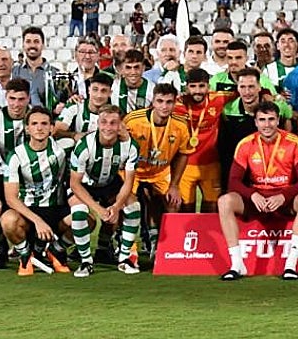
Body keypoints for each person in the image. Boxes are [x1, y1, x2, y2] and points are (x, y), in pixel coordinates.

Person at [218, 102, 298, 281]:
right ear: (255, 122)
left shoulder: (294, 143)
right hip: (257, 199)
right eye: (262, 120)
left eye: (271, 119)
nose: (267, 124)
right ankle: (237, 264)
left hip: (284, 199)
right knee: (224, 201)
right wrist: (252, 195)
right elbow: (233, 181)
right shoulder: (245, 144)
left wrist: (284, 196)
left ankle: (291, 265)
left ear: (278, 120)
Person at [67, 105, 142, 276]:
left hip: (110, 183)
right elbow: (75, 184)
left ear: (120, 125)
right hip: (85, 184)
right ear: (98, 123)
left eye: (113, 123)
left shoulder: (130, 146)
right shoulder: (84, 146)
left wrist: (116, 206)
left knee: (133, 206)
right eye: (104, 122)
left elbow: (128, 182)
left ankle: (124, 259)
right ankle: (86, 261)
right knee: (79, 211)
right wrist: (98, 209)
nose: (108, 127)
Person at [0, 106, 72, 275]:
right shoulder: (16, 156)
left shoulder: (62, 150)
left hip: (55, 209)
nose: (39, 128)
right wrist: (37, 221)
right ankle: (26, 254)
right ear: (27, 128)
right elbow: (10, 198)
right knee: (8, 220)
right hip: (28, 212)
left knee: (86, 219)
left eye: (44, 124)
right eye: (34, 124)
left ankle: (55, 250)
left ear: (52, 128)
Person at [123, 83, 193, 255]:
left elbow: (183, 154)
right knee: (129, 203)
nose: (164, 106)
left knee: (174, 203)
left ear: (175, 102)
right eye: (160, 101)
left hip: (160, 172)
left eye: (169, 102)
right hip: (133, 172)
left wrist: (175, 185)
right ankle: (128, 249)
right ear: (152, 101)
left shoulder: (181, 125)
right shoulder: (133, 120)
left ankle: (164, 248)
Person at [0, 78, 30, 271]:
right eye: (12, 98)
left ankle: (33, 248)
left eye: (21, 99)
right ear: (5, 96)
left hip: (29, 175)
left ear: (28, 98)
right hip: (2, 174)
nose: (16, 104)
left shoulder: (36, 116)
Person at [173, 69, 234, 212]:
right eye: (193, 86)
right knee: (186, 209)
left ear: (208, 86)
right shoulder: (176, 105)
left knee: (211, 208)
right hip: (185, 166)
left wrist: (268, 94)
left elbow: (246, 91)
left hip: (211, 164)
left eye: (201, 86)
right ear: (186, 87)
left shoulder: (218, 99)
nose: (197, 91)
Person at [54, 72, 112, 140]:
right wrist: (74, 135)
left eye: (104, 91)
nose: (98, 95)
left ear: (110, 93)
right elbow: (57, 131)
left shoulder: (114, 112)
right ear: (89, 90)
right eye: (95, 89)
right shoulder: (75, 105)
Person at [110, 49, 155, 114]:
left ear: (143, 68)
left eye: (136, 67)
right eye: (128, 67)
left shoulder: (152, 90)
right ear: (122, 69)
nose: (133, 72)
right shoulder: (113, 85)